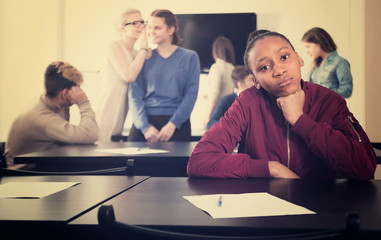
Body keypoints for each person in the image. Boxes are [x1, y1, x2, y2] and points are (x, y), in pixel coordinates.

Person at [187, 31, 377, 181]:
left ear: (299, 59)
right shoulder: (248, 101)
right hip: (262, 213)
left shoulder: (329, 100)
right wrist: (272, 168)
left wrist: (301, 121)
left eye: (284, 57)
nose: (279, 70)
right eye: (264, 67)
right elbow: (199, 161)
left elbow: (366, 167)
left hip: (321, 211)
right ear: (255, 81)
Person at [4, 61, 98, 168]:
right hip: (24, 174)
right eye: (78, 88)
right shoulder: (43, 117)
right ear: (65, 94)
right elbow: (89, 135)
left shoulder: (53, 103)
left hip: (43, 166)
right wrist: (83, 102)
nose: (80, 92)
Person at [128, 9, 200, 142]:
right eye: (149, 27)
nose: (151, 32)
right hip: (146, 121)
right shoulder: (143, 57)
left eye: (157, 28)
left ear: (171, 29)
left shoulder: (190, 57)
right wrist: (145, 127)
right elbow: (134, 95)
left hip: (177, 121)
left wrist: (173, 124)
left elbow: (191, 94)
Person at [95, 8, 150, 142]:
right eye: (135, 23)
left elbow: (149, 56)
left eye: (142, 22)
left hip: (124, 103)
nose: (140, 26)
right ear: (122, 28)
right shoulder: (114, 46)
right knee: (103, 141)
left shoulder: (137, 52)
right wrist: (143, 48)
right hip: (111, 100)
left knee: (114, 141)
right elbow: (129, 75)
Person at [302, 27, 353, 98]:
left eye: (308, 46)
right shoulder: (316, 65)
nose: (307, 51)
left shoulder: (340, 62)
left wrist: (323, 93)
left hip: (332, 108)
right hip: (316, 108)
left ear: (319, 43)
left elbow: (347, 91)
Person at [206, 65, 254, 130]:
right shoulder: (226, 101)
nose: (254, 83)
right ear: (240, 84)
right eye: (250, 80)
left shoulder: (258, 101)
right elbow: (211, 124)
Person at [204, 36, 235, 124]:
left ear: (216, 50)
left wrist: (208, 116)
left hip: (217, 113)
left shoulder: (216, 67)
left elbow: (215, 92)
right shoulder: (232, 68)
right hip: (229, 112)